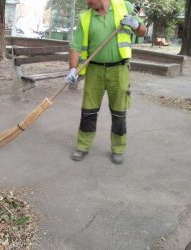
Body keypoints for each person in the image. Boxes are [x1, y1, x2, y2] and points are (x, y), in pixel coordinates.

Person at [65, 0, 146, 164]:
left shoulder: (124, 7)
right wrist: (73, 68)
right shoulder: (85, 17)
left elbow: (142, 32)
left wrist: (136, 25)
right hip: (94, 70)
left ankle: (118, 148)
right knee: (88, 111)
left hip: (119, 69)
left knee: (119, 112)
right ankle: (82, 146)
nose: (87, 2)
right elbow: (76, 46)